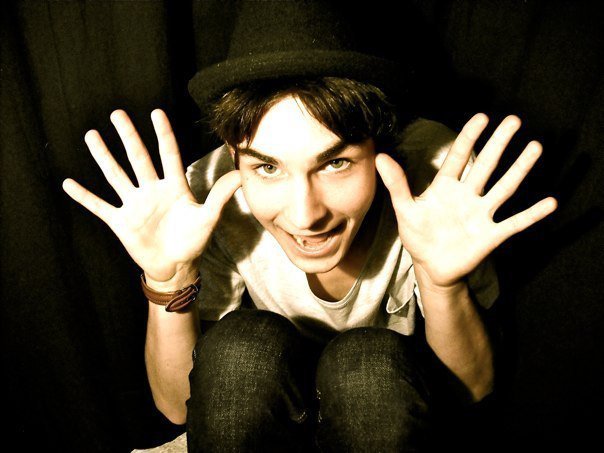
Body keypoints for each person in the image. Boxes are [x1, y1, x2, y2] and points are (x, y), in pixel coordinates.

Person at [61, 1, 557, 451]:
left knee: (367, 368)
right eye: (267, 167)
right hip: (262, 416)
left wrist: (442, 284)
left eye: (335, 163)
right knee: (240, 351)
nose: (305, 216)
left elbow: (472, 391)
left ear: (382, 147)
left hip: (387, 415)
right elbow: (176, 408)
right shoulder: (203, 198)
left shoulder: (437, 180)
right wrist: (170, 278)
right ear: (234, 156)